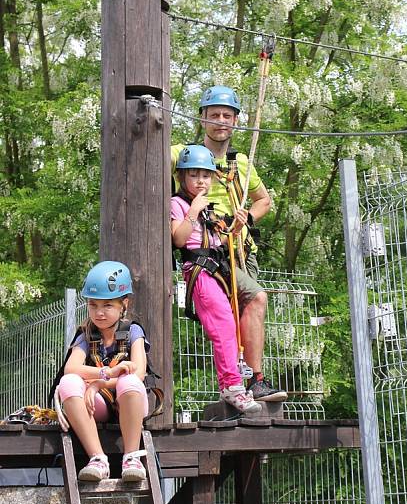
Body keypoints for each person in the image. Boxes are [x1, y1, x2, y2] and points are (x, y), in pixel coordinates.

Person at [171, 85, 286, 401]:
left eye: (227, 115)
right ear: (202, 118)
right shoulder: (184, 155)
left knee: (240, 313)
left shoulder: (242, 162)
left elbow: (265, 201)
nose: (221, 121)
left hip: (241, 250)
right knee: (255, 300)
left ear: (235, 120)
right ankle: (252, 380)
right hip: (212, 250)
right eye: (214, 115)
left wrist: (246, 216)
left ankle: (243, 380)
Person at [171, 144, 263, 415]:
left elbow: (216, 240)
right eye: (194, 175)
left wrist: (235, 227)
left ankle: (235, 379)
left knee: (232, 322)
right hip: (198, 269)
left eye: (206, 176)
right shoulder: (177, 203)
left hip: (216, 266)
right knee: (222, 324)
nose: (201, 181)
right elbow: (179, 238)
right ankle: (232, 386)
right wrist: (192, 211)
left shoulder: (208, 209)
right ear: (181, 178)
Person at [56, 261, 149, 482]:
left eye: (107, 305)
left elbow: (139, 374)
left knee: (129, 382)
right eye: (93, 305)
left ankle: (132, 457)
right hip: (98, 404)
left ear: (123, 304)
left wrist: (99, 383)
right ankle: (97, 459)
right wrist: (108, 372)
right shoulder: (86, 335)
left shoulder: (133, 332)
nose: (99, 313)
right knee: (68, 382)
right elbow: (71, 368)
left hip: (130, 401)